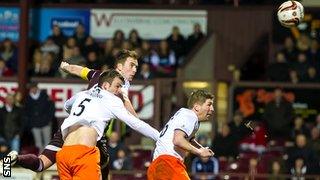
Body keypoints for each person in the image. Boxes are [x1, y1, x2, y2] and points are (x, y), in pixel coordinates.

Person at [0, 50, 140, 179]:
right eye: (132, 65)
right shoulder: (119, 87)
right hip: (90, 132)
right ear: (120, 67)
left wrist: (66, 67)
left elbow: (79, 70)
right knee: (103, 163)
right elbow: (132, 117)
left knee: (41, 164)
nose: (134, 70)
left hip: (69, 127)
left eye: (136, 67)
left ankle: (15, 158)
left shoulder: (97, 74)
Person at [56, 69, 159, 179]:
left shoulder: (83, 94)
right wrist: (160, 137)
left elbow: (66, 105)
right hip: (83, 154)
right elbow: (136, 124)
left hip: (64, 154)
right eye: (117, 86)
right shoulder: (112, 100)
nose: (119, 90)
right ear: (105, 86)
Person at [147, 90, 215, 180]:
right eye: (209, 104)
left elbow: (189, 139)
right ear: (197, 107)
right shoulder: (190, 116)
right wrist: (199, 152)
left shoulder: (187, 116)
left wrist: (201, 148)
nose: (212, 109)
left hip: (159, 165)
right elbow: (178, 140)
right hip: (168, 163)